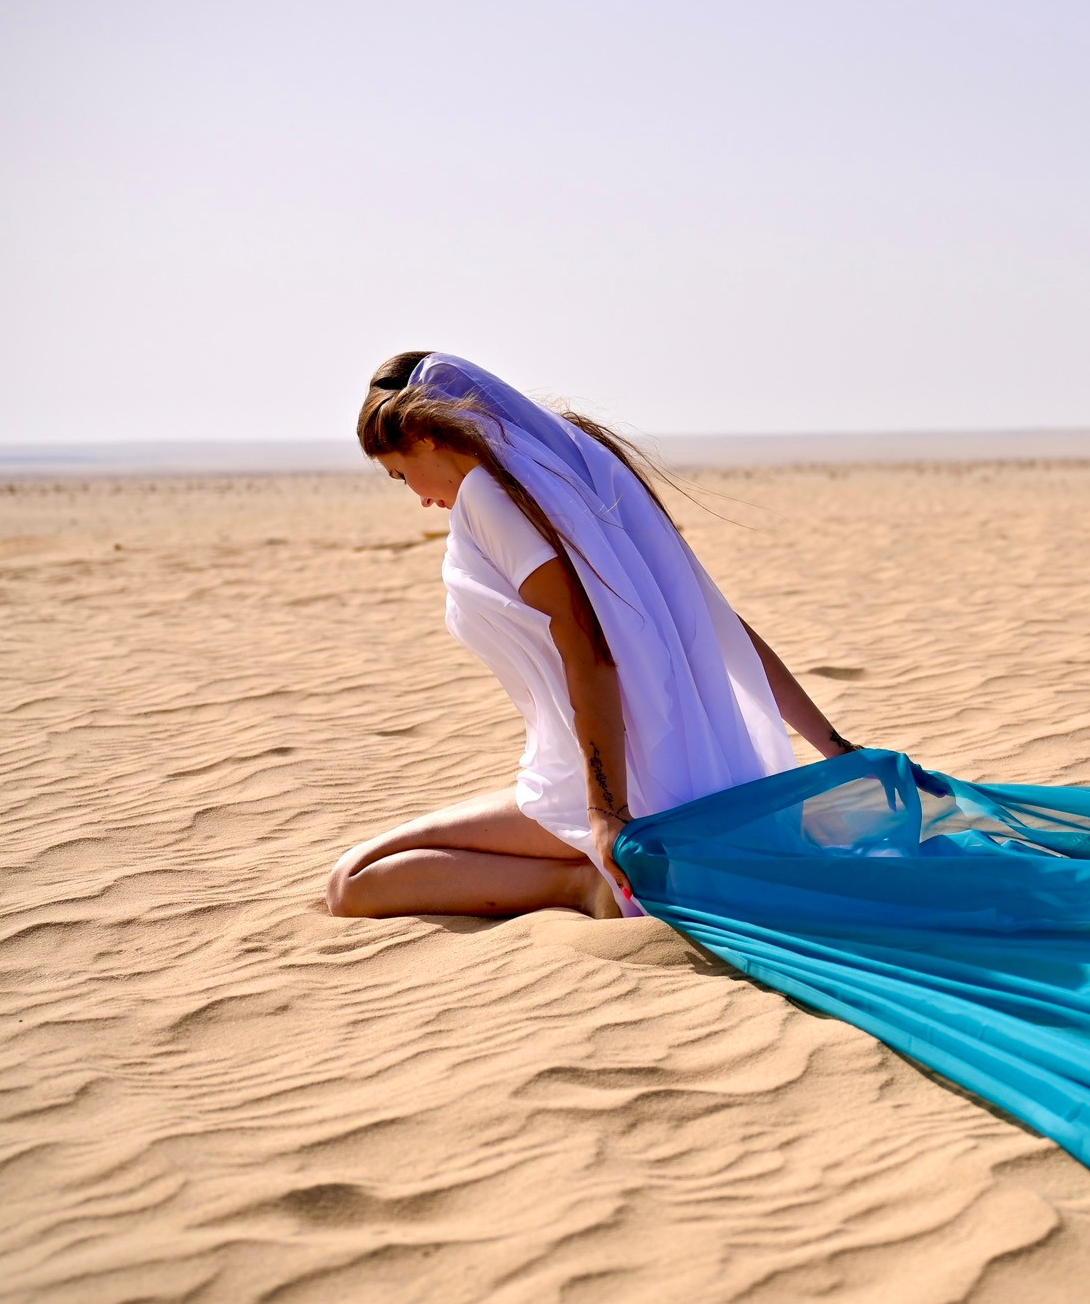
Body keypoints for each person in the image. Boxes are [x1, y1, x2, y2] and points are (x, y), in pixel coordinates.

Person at [325, 351, 857, 922]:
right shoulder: (578, 470)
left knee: (350, 882)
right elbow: (719, 627)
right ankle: (596, 874)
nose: (421, 498)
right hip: (688, 779)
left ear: (423, 434)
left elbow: (587, 649)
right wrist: (835, 748)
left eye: (401, 475)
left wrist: (609, 812)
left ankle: (588, 887)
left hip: (625, 791)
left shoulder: (488, 497)